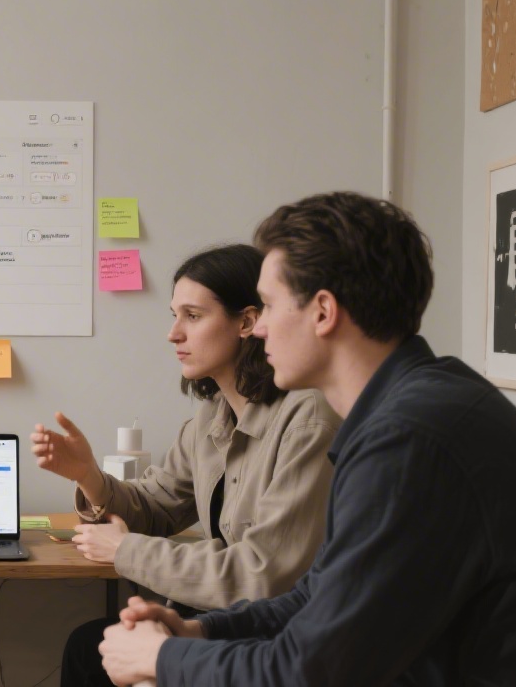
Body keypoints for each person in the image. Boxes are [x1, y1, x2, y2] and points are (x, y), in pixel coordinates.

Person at [100, 192, 516, 685]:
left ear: (323, 312)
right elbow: (315, 595)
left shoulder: (407, 439)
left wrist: (160, 659)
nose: (258, 328)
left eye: (266, 306)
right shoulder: (415, 402)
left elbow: (311, 670)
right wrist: (199, 632)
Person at [32, 243, 341, 687]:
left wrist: (125, 551)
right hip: (225, 620)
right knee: (89, 645)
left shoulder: (306, 420)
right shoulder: (209, 418)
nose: (173, 333)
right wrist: (88, 475)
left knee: (98, 651)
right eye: (174, 315)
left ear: (247, 322)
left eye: (193, 316)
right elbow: (155, 510)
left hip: (279, 637)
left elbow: (263, 575)